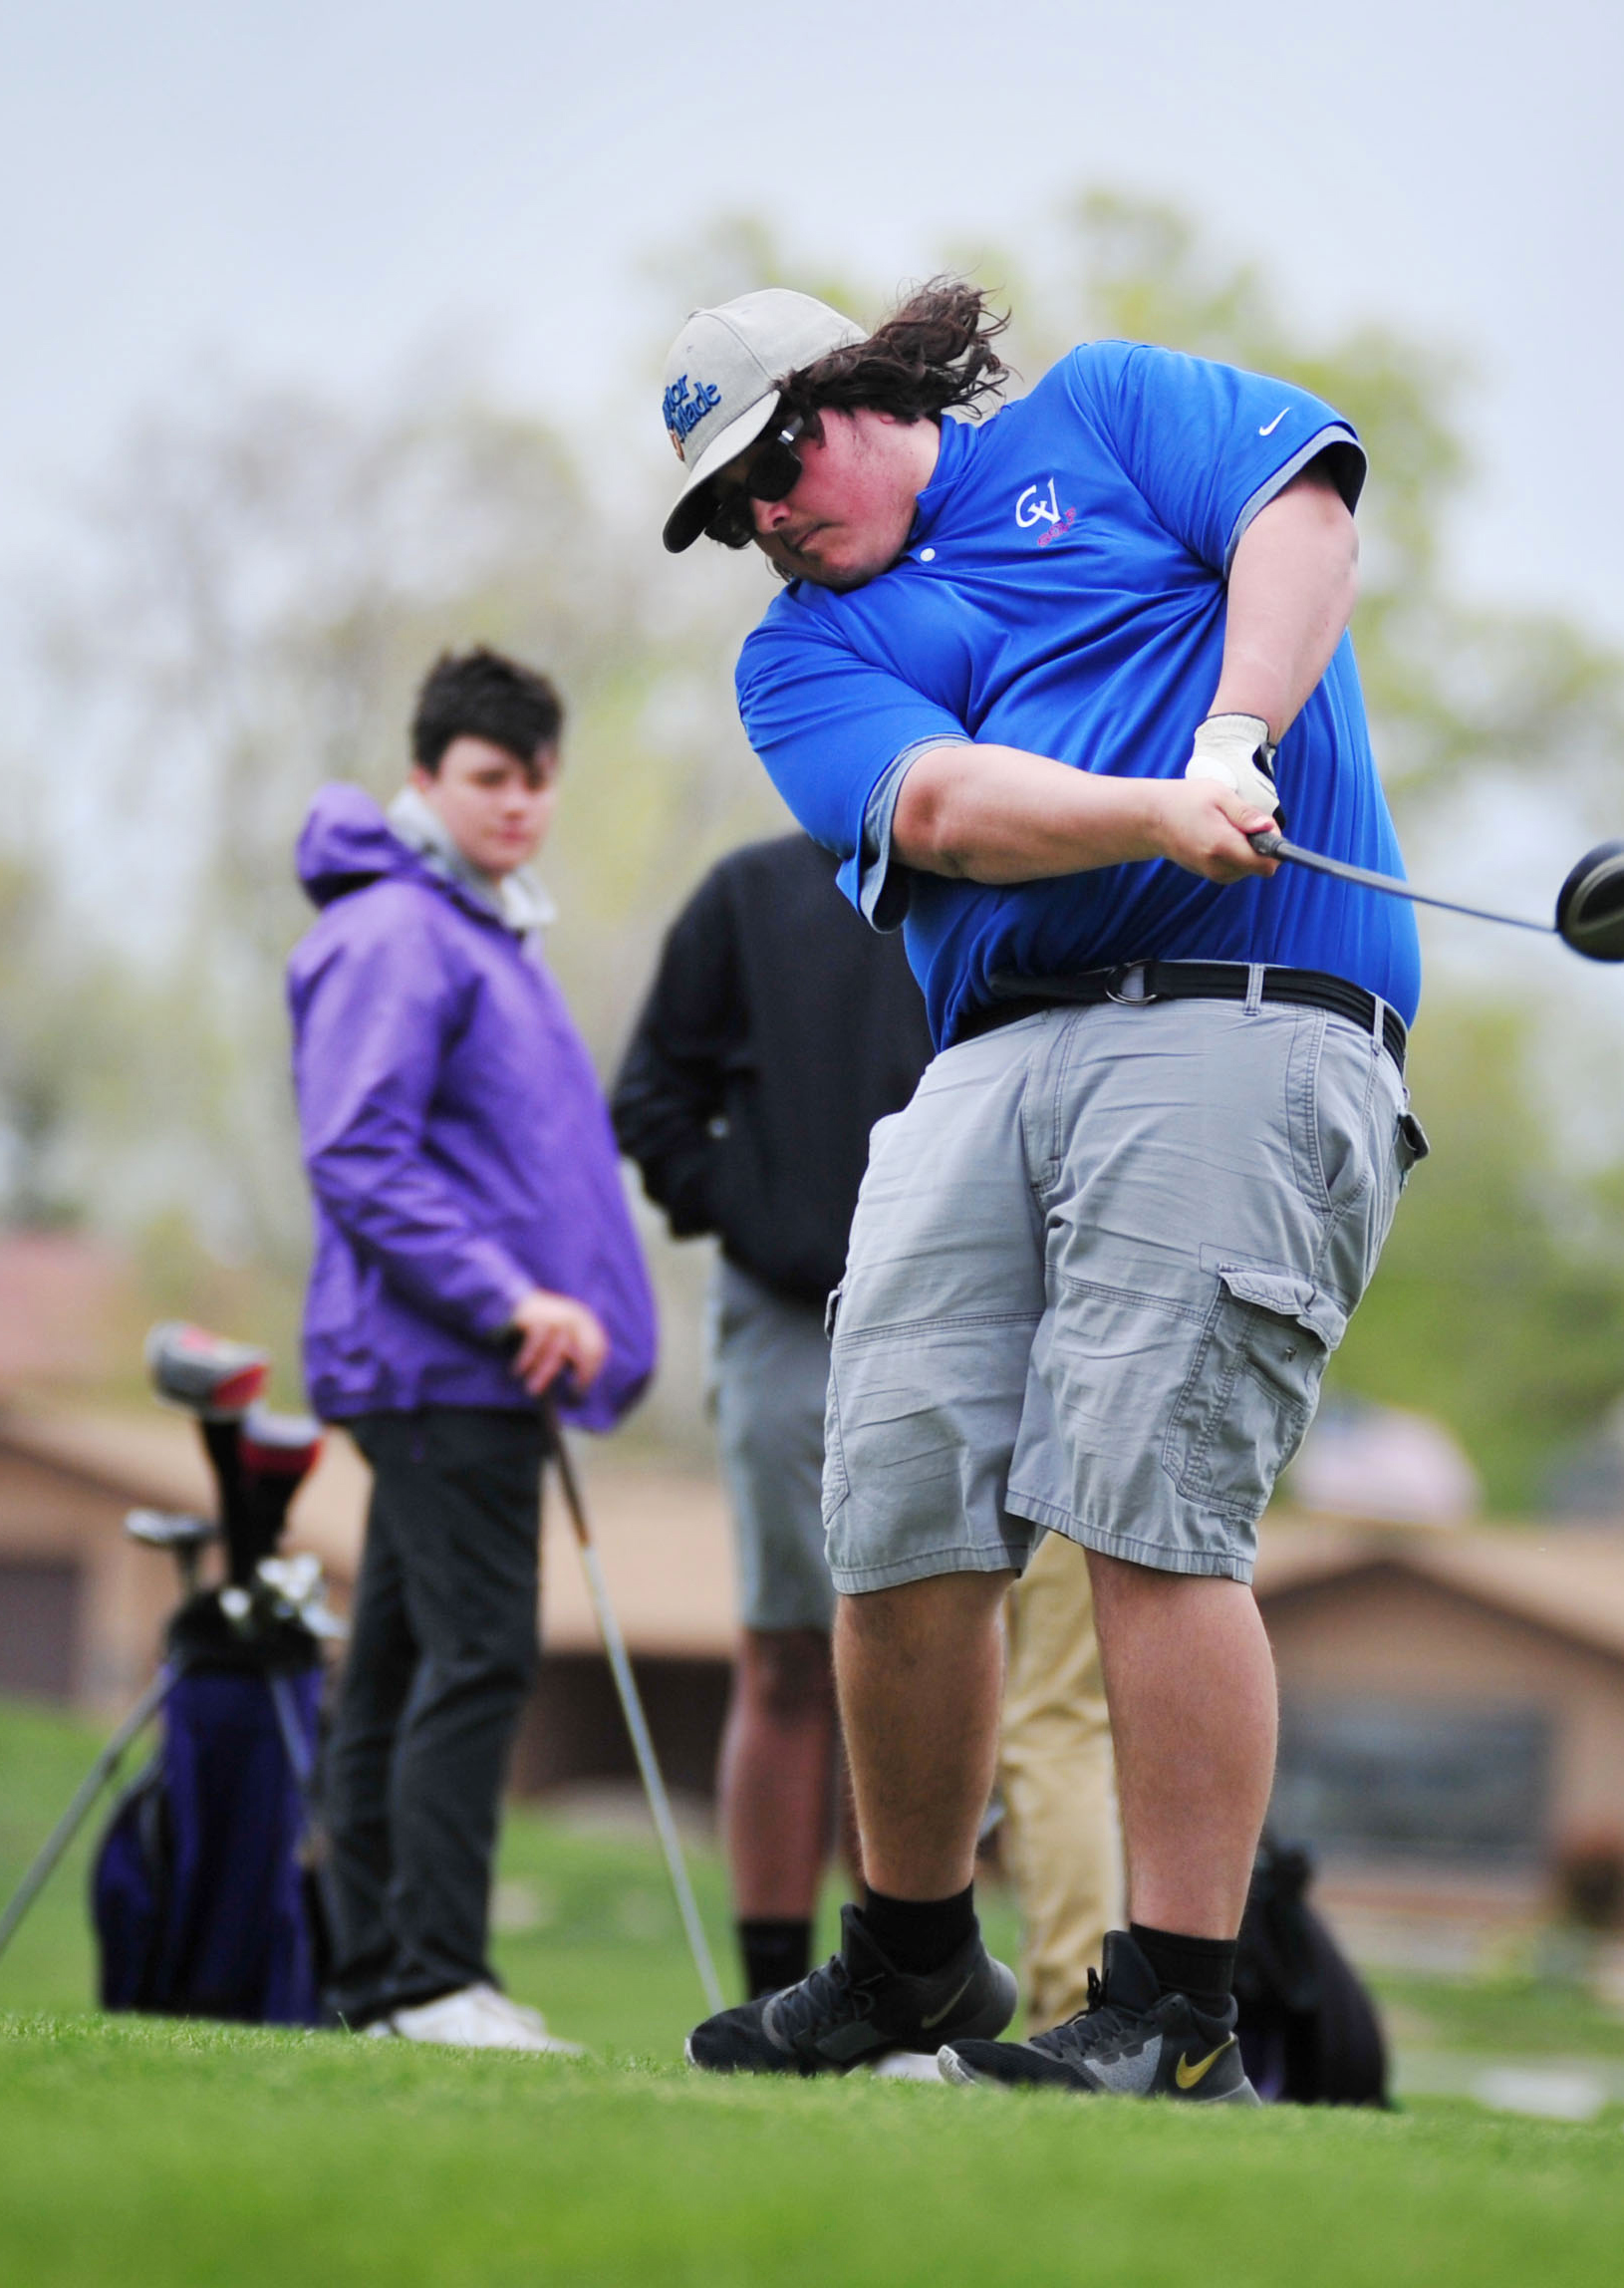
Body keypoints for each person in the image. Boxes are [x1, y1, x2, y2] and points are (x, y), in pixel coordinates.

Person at [654, 282, 1421, 2100]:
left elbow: (1303, 518)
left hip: (1250, 1012)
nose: (766, 513)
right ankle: (913, 1960)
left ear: (856, 388)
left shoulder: (1112, 412)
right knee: (897, 1497)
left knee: (1146, 1500)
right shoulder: (797, 654)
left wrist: (1231, 736)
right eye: (726, 508)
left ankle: (1171, 2006)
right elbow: (936, 810)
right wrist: (1148, 807)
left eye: (775, 457)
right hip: (994, 1048)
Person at [611, 832, 1129, 2022]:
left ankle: (893, 1984)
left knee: (916, 1635)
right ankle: (773, 1990)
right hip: (788, 1315)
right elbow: (651, 1102)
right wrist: (767, 1216)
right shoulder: (745, 891)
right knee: (788, 1653)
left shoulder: (1009, 879)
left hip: (972, 1305)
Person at [288, 645, 657, 2052]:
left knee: (392, 1667)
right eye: (490, 779)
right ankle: (432, 1979)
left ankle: (379, 1982)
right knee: (481, 1657)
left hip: (471, 1367)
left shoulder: (482, 933)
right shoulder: (400, 933)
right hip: (446, 1360)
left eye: (538, 779)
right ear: (426, 779)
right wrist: (512, 1301)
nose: (519, 804)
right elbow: (359, 1156)